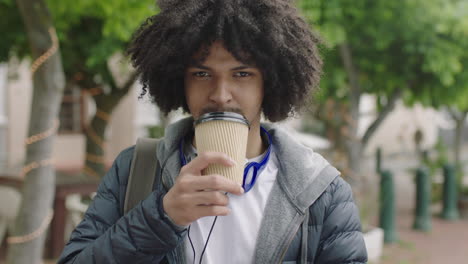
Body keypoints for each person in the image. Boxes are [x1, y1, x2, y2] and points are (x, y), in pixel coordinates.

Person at [58, 0, 368, 263]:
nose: (220, 93)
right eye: (202, 73)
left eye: (242, 74)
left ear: (269, 83)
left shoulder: (322, 191)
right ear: (180, 80)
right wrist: (161, 218)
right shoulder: (135, 168)